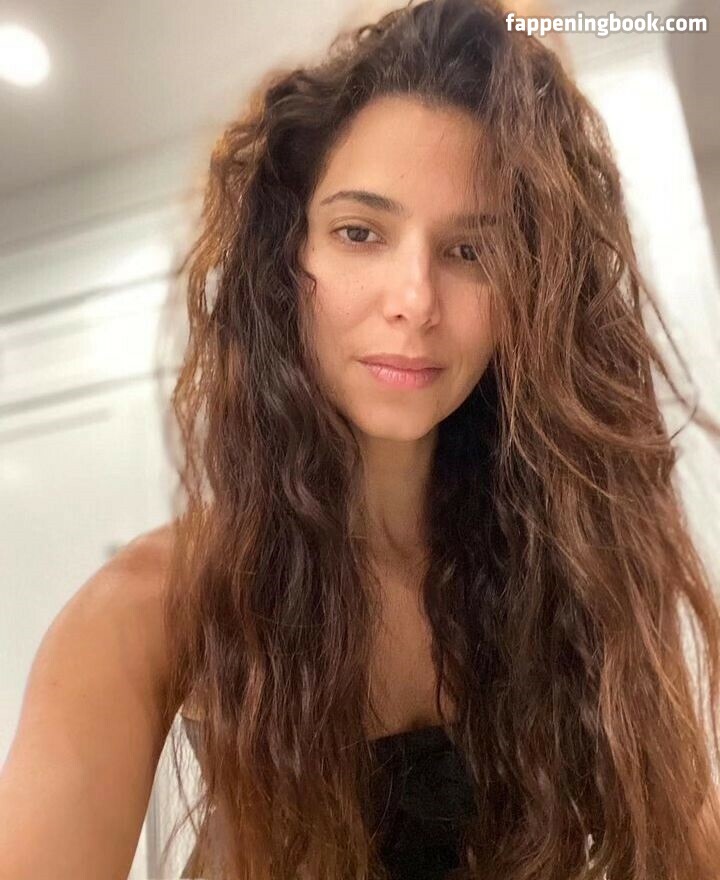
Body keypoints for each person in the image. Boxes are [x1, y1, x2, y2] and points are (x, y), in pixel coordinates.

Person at [1, 0, 720, 877]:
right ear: (286, 261)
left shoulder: (572, 570)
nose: (414, 300)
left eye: (471, 252)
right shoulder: (148, 607)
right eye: (359, 233)